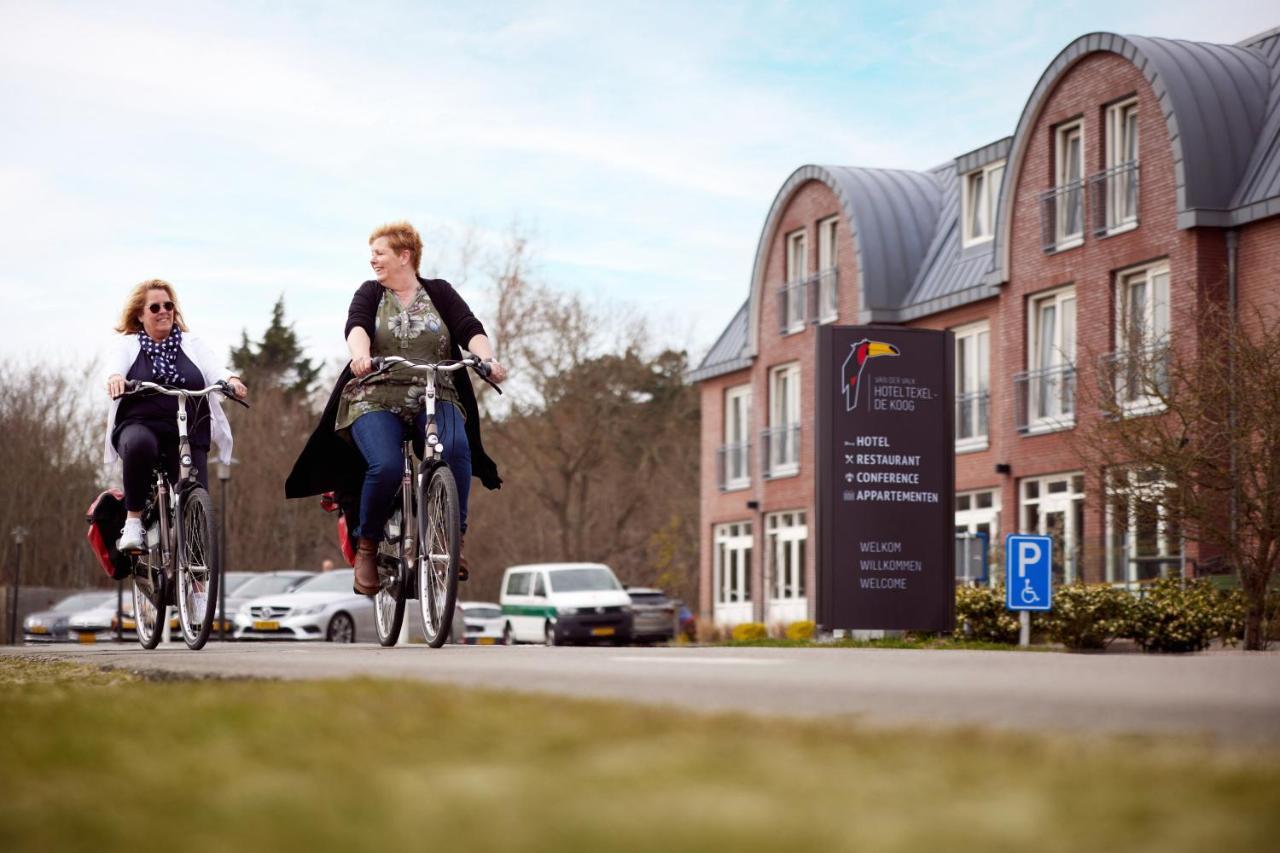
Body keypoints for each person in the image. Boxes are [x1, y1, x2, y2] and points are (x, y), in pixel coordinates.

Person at [286, 221, 506, 596]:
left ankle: (453, 538)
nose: (373, 260)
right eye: (372, 253)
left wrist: (487, 359)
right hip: (375, 395)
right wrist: (361, 356)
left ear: (405, 256)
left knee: (456, 449)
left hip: (434, 392)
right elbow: (356, 326)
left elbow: (469, 327)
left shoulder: (439, 292)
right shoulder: (371, 293)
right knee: (385, 464)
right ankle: (368, 547)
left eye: (380, 252)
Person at [104, 279, 247, 552]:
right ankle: (133, 520)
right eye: (154, 307)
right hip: (141, 423)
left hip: (188, 428)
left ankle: (195, 582)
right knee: (139, 445)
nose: (163, 311)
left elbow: (215, 367)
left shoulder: (191, 343)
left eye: (168, 305)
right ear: (140, 314)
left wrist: (231, 380)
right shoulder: (129, 345)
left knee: (195, 500)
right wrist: (115, 378)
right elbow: (115, 366)